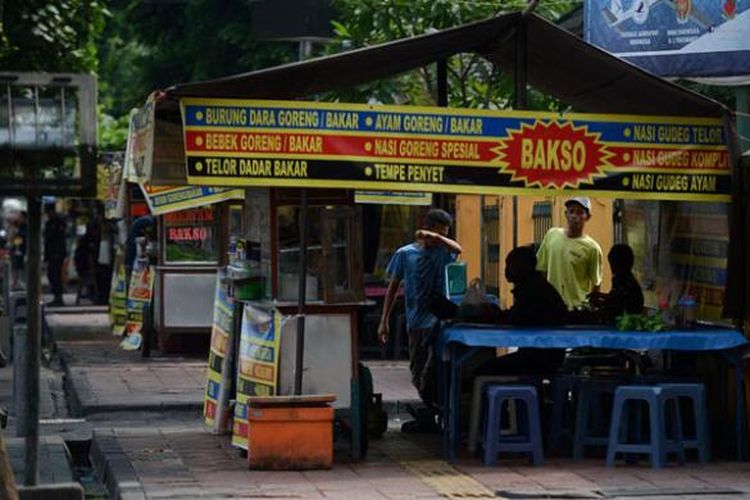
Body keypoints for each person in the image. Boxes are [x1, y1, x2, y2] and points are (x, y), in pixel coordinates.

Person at [378, 208, 462, 432]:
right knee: (417, 372)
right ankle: (431, 411)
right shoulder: (405, 254)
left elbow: (458, 249)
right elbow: (393, 287)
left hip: (438, 323)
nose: (439, 238)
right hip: (415, 322)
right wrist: (384, 319)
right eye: (437, 232)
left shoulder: (442, 252)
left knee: (434, 371)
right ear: (428, 228)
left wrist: (437, 238)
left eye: (444, 233)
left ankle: (435, 412)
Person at [475, 246, 569, 376]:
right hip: (542, 354)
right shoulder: (534, 285)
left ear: (523, 267)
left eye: (510, 265)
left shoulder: (532, 290)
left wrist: (492, 316)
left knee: (482, 372)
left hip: (541, 358)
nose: (506, 270)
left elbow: (516, 320)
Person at [536, 197, 603, 310]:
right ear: (566, 214)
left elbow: (596, 283)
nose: (574, 216)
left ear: (588, 217)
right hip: (552, 308)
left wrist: (590, 307)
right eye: (571, 211)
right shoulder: (552, 236)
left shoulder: (592, 248)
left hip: (577, 309)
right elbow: (541, 269)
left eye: (579, 212)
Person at [590, 243, 644, 322]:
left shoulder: (624, 282)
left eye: (613, 263)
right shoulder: (624, 280)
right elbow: (615, 298)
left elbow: (619, 306)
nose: (612, 268)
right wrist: (600, 296)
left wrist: (600, 303)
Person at [44, 203, 68, 306]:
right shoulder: (50, 222)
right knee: (51, 275)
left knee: (56, 275)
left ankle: (59, 298)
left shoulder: (58, 222)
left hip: (57, 253)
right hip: (51, 253)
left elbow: (59, 239)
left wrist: (59, 252)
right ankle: (57, 296)